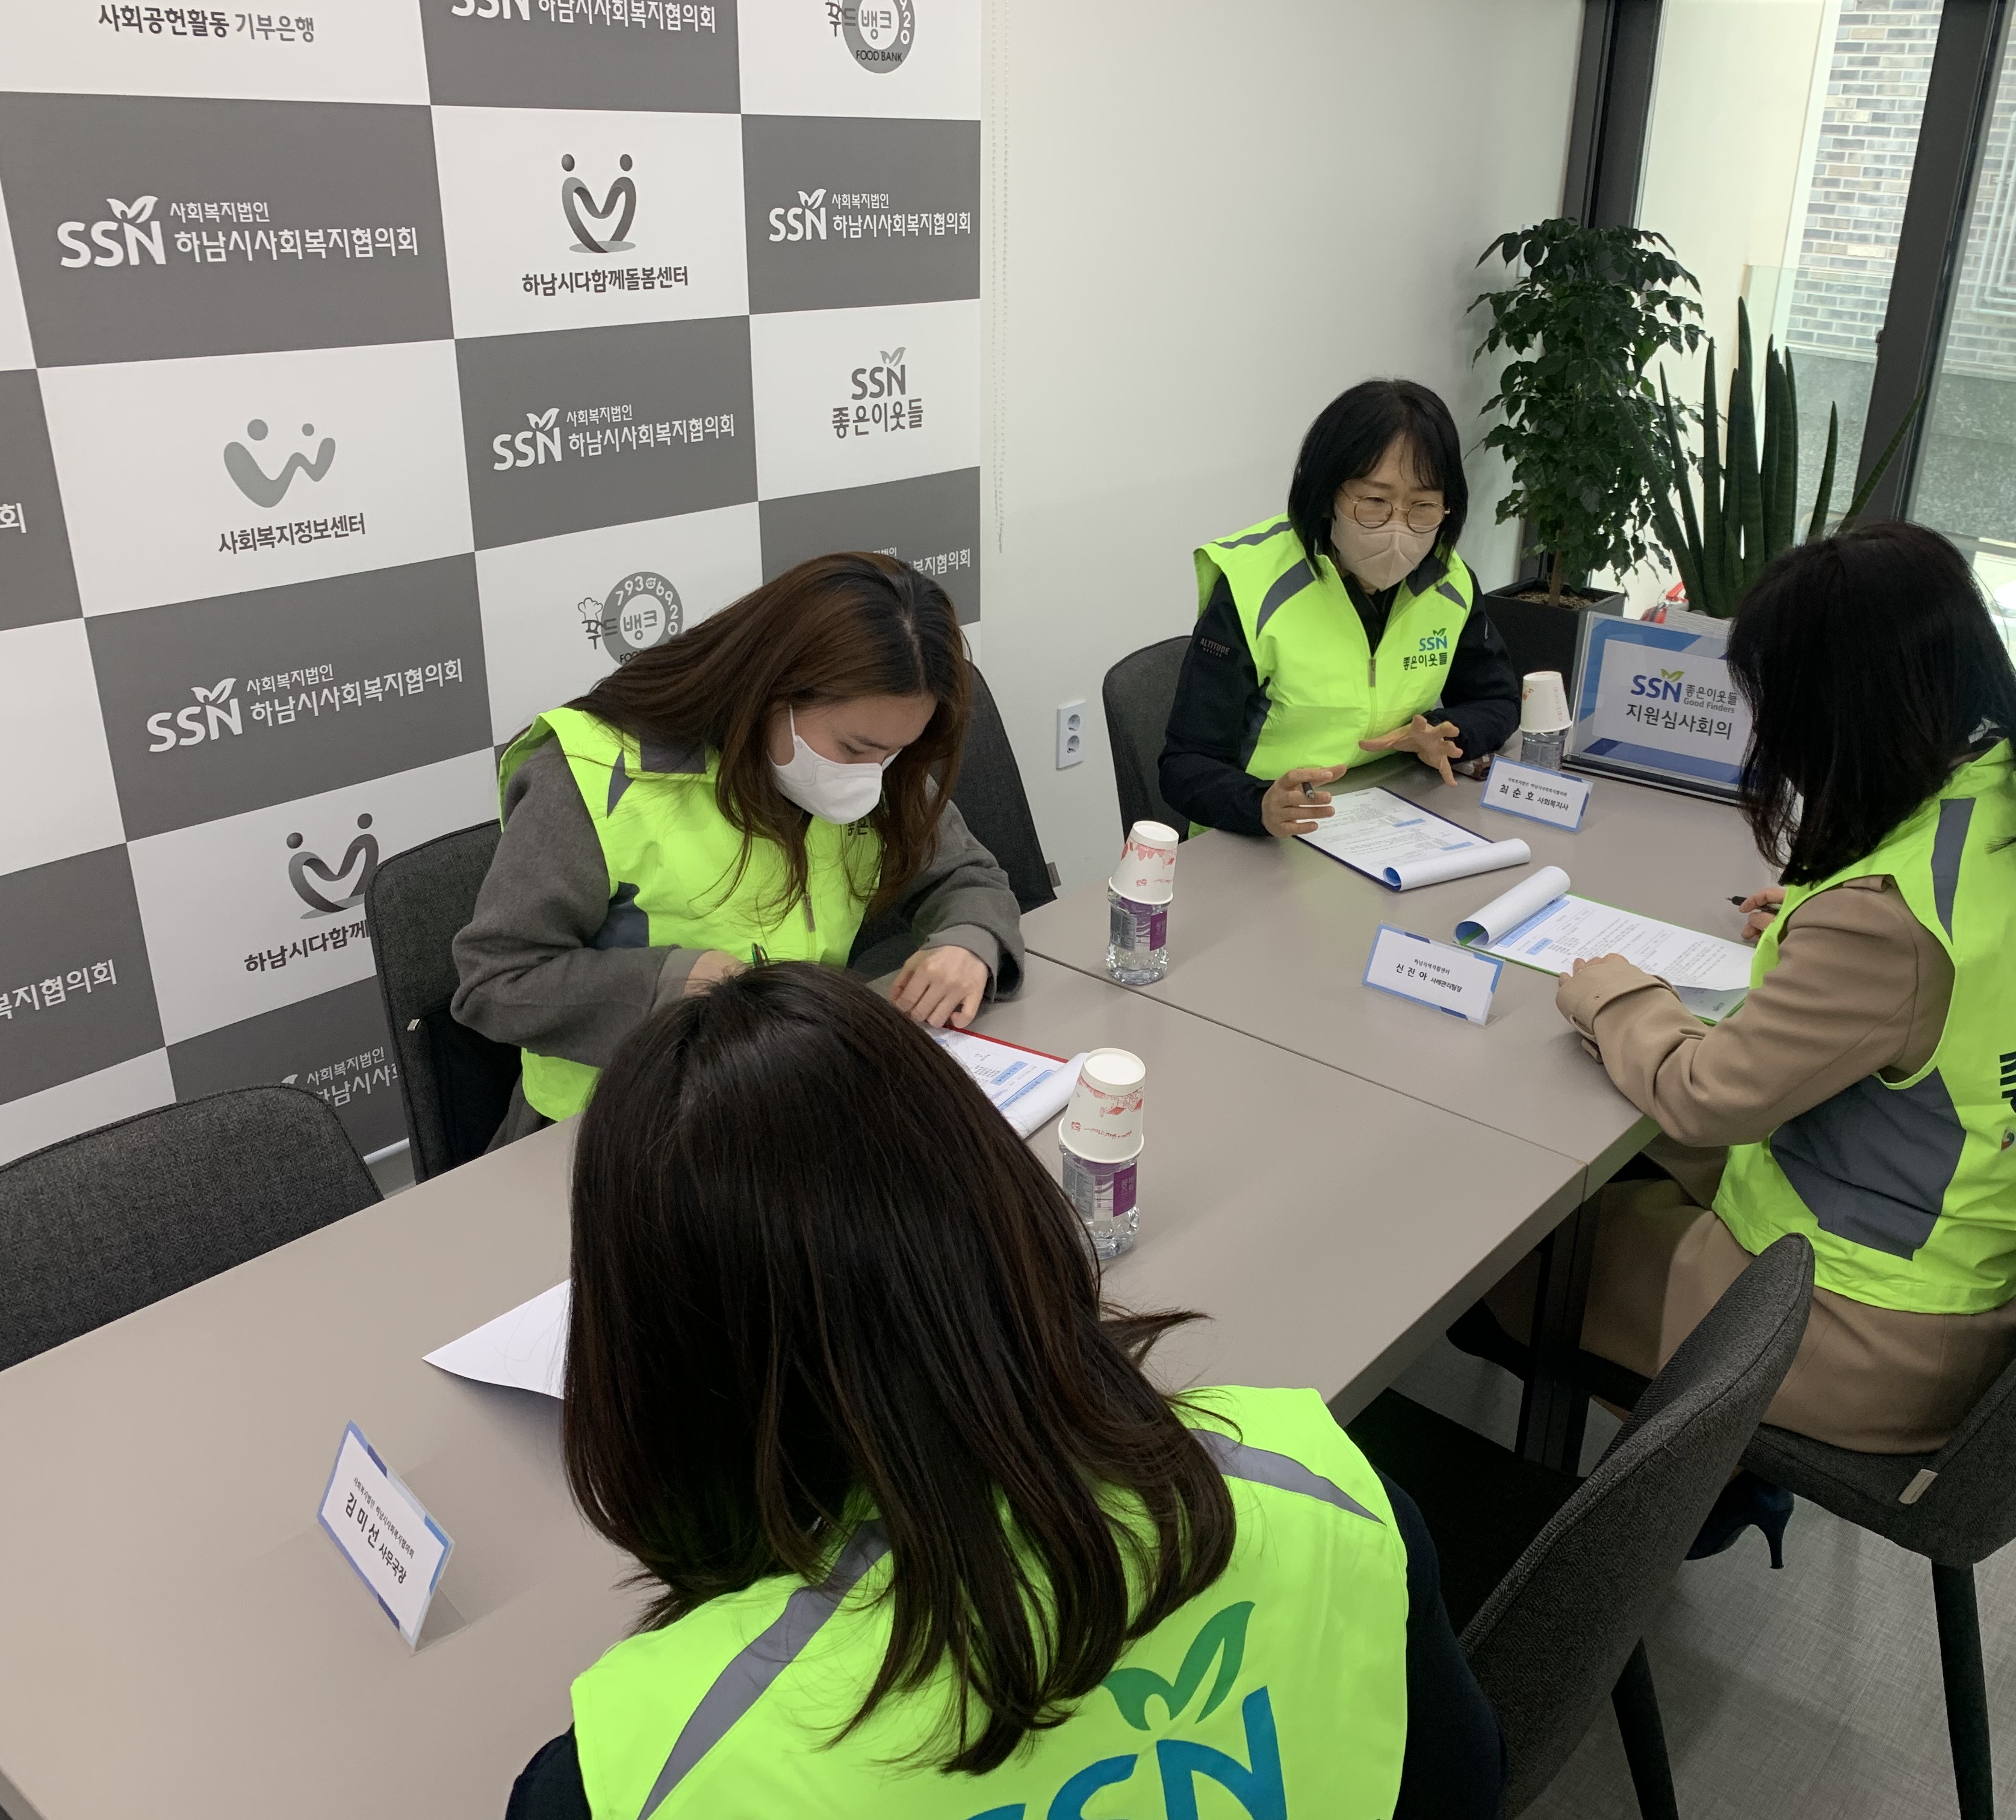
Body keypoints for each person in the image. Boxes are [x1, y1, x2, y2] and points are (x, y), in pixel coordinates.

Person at [501, 962, 1504, 1820]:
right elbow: (1460, 1787)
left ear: (643, 1362)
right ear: (1000, 1211)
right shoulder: (1332, 1496)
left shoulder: (641, 1775)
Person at [1488, 522, 2016, 1562]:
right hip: (1963, 1261)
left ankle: (1666, 1497)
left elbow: (1704, 1092)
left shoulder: (1887, 920)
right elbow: (1941, 985)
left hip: (1868, 1326)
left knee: (1519, 1252)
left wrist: (1613, 993)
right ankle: (1703, 1452)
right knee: (1623, 1175)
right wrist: (1817, 925)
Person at [453, 552, 1025, 1147]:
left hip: (790, 1093)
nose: (871, 777)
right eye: (856, 749)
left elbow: (966, 877)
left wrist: (969, 943)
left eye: (894, 753)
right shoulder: (590, 778)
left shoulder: (878, 771)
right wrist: (675, 987)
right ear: (773, 691)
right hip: (617, 1130)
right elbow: (497, 979)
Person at [1159, 379, 1520, 839]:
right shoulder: (1254, 585)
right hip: (1258, 837)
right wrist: (1260, 805)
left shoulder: (1449, 582)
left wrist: (1445, 731)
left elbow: (1498, 700)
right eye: (1375, 502)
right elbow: (1185, 764)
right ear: (1328, 494)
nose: (1398, 529)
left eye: (1423, 506)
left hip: (1390, 821)